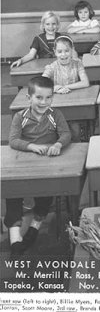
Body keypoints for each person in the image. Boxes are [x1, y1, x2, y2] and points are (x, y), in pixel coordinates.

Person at [7, 76, 72, 256]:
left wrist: (58, 144)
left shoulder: (55, 115)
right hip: (23, 165)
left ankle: (35, 226)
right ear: (29, 98)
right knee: (11, 192)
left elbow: (66, 134)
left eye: (48, 98)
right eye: (38, 98)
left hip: (47, 165)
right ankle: (15, 238)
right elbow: (13, 140)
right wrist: (31, 146)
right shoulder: (20, 117)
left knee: (46, 192)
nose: (44, 102)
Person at [42, 36, 90, 141]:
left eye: (67, 51)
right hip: (56, 106)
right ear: (55, 52)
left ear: (72, 50)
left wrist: (65, 87)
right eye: (60, 51)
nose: (63, 54)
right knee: (56, 132)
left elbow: (85, 82)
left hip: (74, 104)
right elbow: (41, 83)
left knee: (75, 130)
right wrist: (54, 88)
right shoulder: (52, 67)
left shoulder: (77, 64)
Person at [11, 11, 77, 68]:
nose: (51, 27)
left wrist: (75, 60)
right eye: (47, 24)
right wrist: (21, 60)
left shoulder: (63, 37)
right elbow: (31, 55)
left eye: (53, 24)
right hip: (43, 68)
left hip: (61, 66)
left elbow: (73, 52)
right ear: (43, 25)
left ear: (57, 25)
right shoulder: (38, 39)